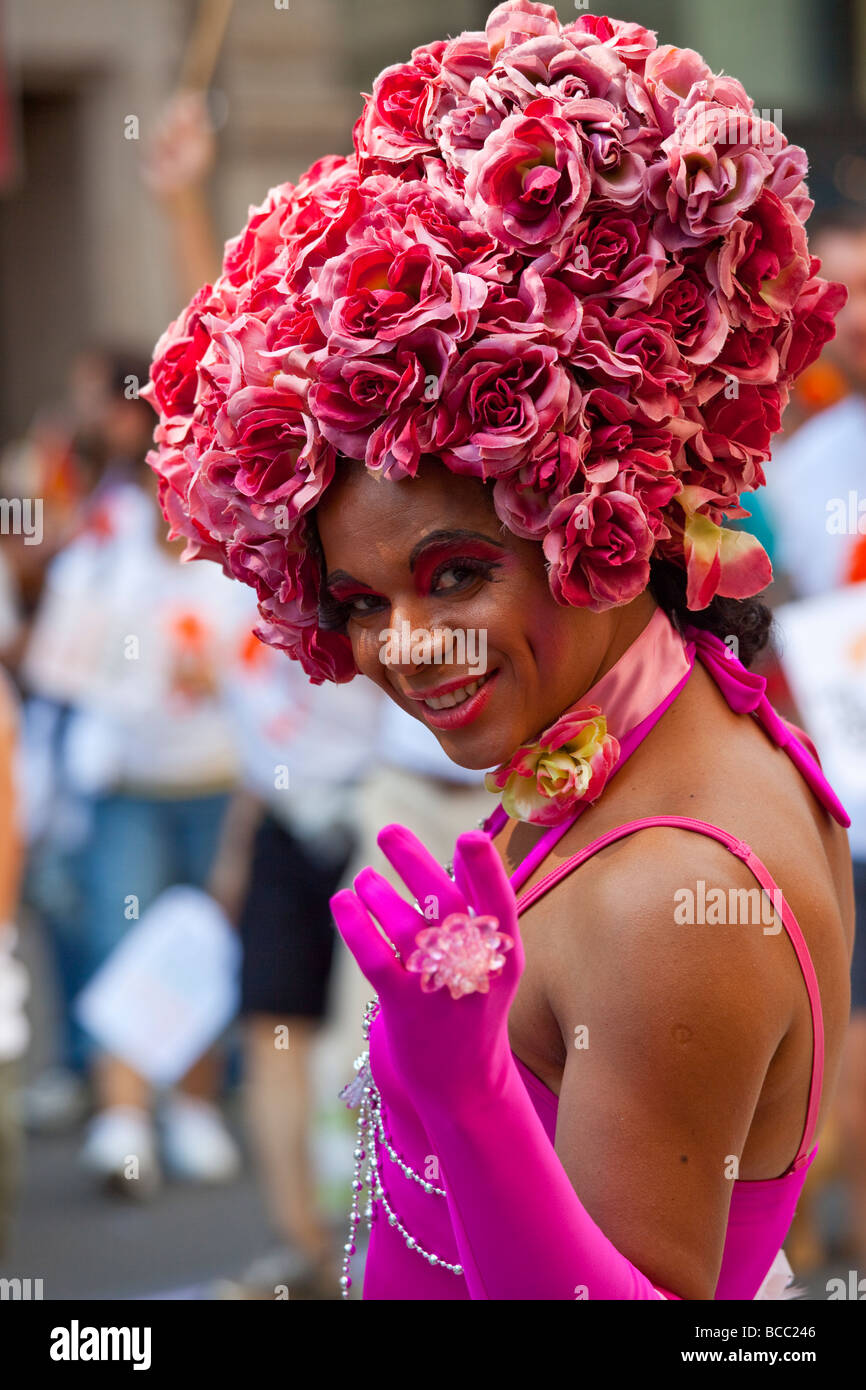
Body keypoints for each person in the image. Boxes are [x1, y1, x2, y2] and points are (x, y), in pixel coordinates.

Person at [144, 1, 854, 1300]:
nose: (404, 647)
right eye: (355, 602)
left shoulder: (664, 896)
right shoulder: (669, 730)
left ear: (590, 504)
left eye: (453, 574)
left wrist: (466, 1099)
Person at [762, 202, 866, 1269]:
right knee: (832, 1063)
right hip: (840, 813)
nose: (850, 319)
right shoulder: (796, 464)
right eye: (832, 296)